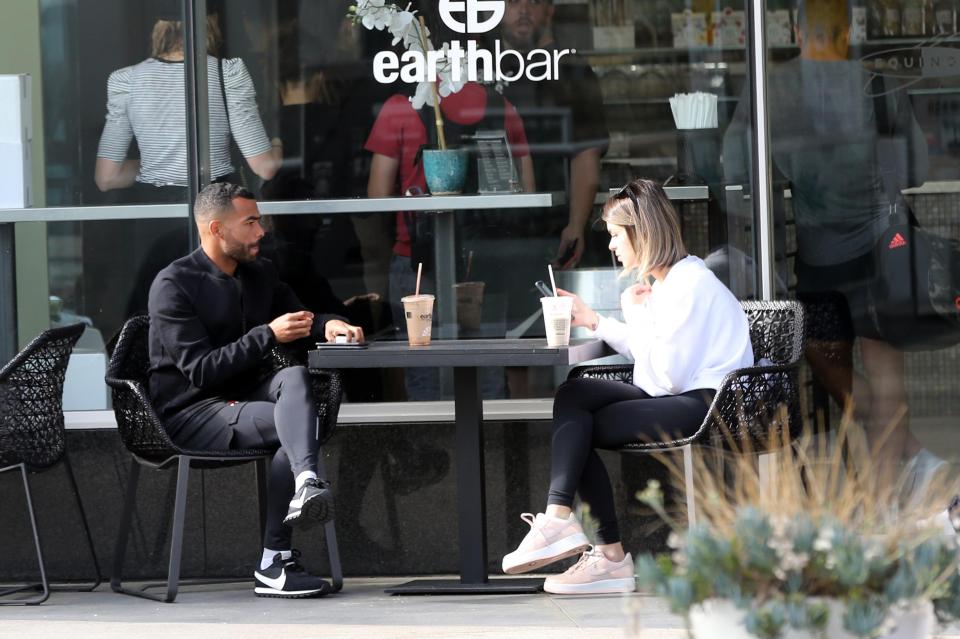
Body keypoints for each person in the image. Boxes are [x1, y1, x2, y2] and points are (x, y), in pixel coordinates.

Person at [501, 178, 753, 594]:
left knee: (579, 431)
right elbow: (654, 359)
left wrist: (633, 313)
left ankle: (606, 555)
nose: (613, 246)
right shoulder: (669, 283)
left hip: (705, 402)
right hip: (676, 392)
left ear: (642, 233)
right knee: (573, 394)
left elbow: (667, 374)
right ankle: (560, 520)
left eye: (617, 235)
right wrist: (597, 321)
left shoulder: (691, 285)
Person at [722, 0, 928, 479]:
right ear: (850, 29)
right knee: (887, 380)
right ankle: (887, 500)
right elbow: (914, 169)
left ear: (795, 30)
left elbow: (735, 167)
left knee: (825, 358)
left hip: (819, 261)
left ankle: (899, 465)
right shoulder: (879, 85)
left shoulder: (771, 86)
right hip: (882, 255)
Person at [147, 182, 364, 598]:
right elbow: (201, 372)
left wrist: (328, 324)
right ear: (216, 228)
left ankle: (304, 487)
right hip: (189, 413)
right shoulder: (173, 285)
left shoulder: (259, 272)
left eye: (258, 220)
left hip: (244, 403)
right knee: (298, 430)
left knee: (295, 380)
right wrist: (267, 335)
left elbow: (300, 316)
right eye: (249, 222)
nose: (261, 231)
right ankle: (275, 559)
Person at [95, 6, 282, 201]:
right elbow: (265, 167)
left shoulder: (126, 80)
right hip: (215, 207)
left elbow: (107, 178)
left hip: (152, 218)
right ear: (212, 24)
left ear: (158, 27)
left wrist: (157, 165)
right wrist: (279, 141)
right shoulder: (228, 74)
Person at [496, 0, 608, 270]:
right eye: (513, 2)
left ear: (550, 9)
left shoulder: (569, 67)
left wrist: (575, 225)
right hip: (489, 226)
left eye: (533, 2)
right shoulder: (477, 65)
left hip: (552, 227)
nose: (523, 10)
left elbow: (586, 152)